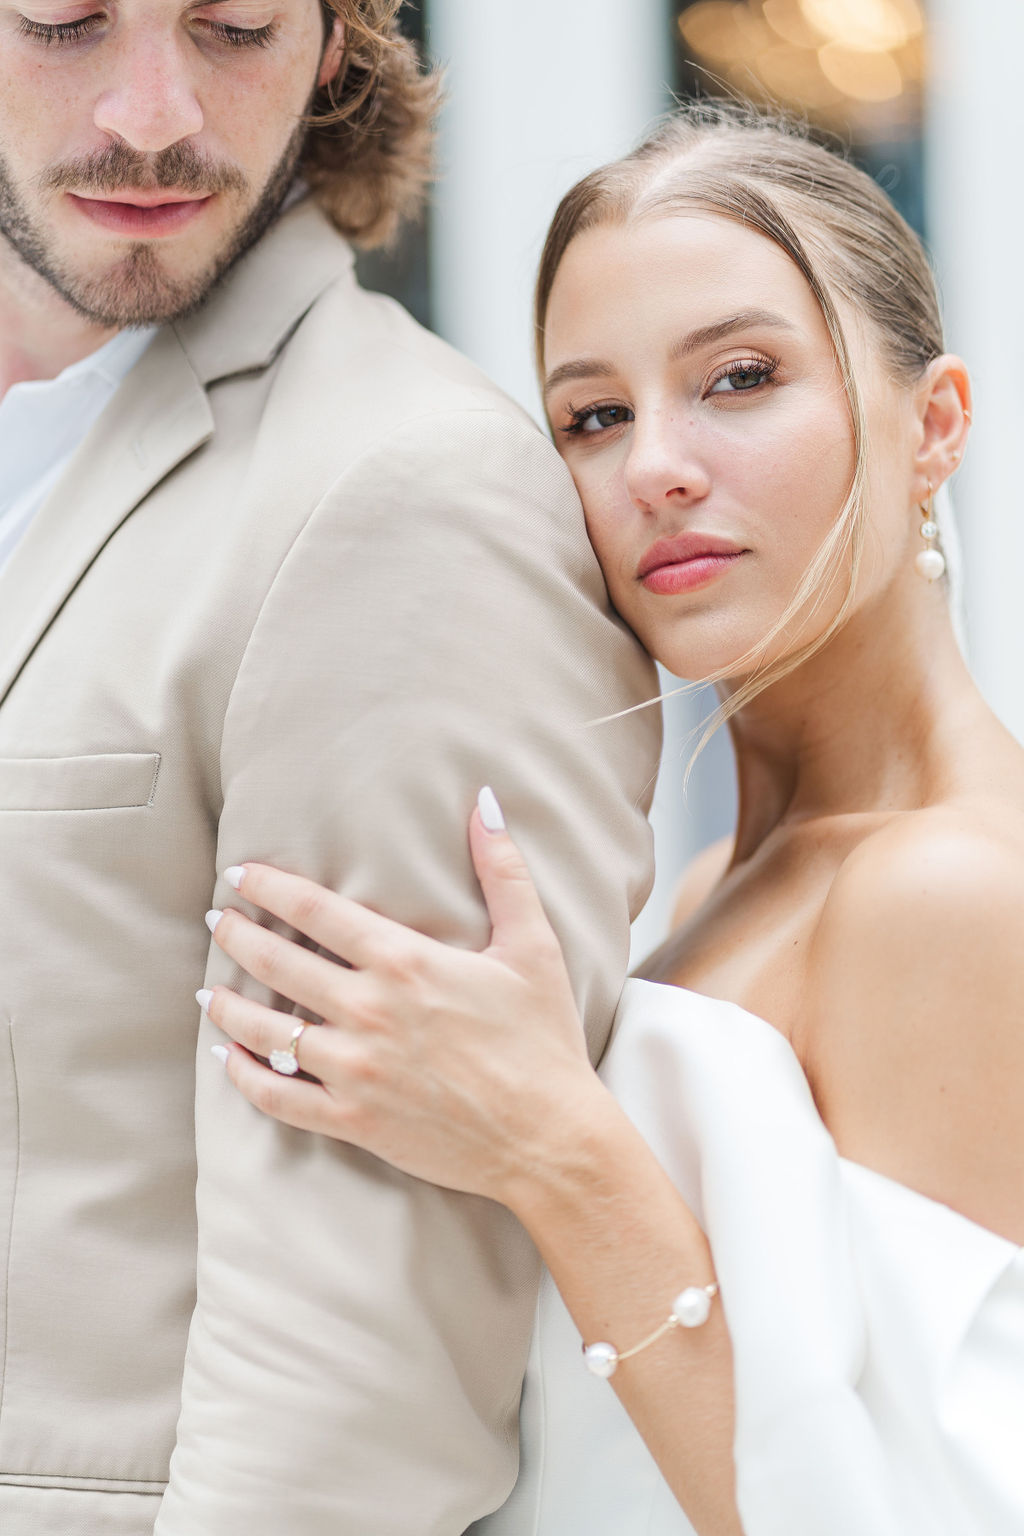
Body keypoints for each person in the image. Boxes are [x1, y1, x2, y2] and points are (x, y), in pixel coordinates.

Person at [202, 102, 1024, 1536]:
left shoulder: (956, 893)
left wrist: (544, 1141)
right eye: (593, 415)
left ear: (933, 423)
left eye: (741, 378)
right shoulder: (718, 871)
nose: (655, 468)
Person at [0, 3, 661, 1533]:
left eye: (234, 25)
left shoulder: (408, 490)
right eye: (65, 21)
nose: (153, 111)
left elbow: (363, 1395)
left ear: (338, 46)